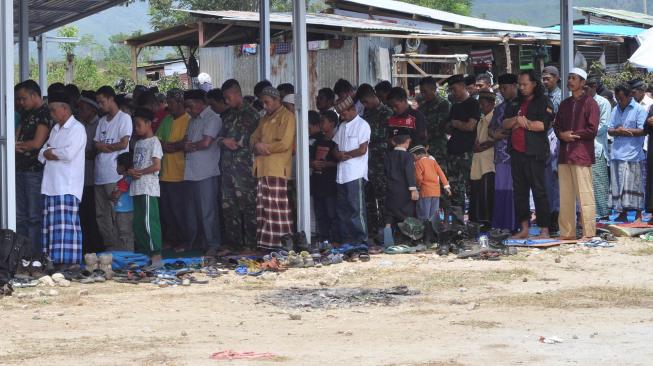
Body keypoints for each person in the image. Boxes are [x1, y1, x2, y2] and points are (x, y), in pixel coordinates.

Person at [38, 91, 86, 267]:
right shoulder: (55, 129)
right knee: (52, 227)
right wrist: (50, 152)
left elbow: (68, 153)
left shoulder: (77, 129)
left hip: (67, 185)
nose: (51, 114)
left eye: (53, 110)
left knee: (66, 228)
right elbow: (41, 153)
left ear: (64, 109)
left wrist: (52, 152)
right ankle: (51, 262)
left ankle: (68, 263)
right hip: (51, 185)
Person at [503, 70, 553, 239]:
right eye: (520, 85)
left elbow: (541, 125)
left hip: (535, 153)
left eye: (525, 84)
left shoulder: (543, 101)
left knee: (539, 191)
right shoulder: (515, 102)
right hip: (516, 153)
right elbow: (505, 123)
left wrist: (524, 123)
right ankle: (524, 228)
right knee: (520, 192)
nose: (522, 88)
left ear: (534, 84)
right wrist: (517, 121)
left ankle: (544, 229)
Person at [553, 68, 599, 240]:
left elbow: (592, 129)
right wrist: (561, 135)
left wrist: (572, 135)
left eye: (574, 78)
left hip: (581, 155)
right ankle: (567, 233)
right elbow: (556, 126)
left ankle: (589, 233)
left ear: (582, 82)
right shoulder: (564, 104)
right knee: (565, 196)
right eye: (569, 77)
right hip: (565, 155)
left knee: (585, 195)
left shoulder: (590, 103)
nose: (570, 81)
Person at [249, 87, 296, 250]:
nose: (264, 106)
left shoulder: (287, 117)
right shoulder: (264, 119)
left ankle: (283, 244)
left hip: (277, 169)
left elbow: (285, 143)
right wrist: (256, 145)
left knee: (277, 208)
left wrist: (264, 147)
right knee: (264, 209)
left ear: (277, 101)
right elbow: (252, 137)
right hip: (262, 169)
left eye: (267, 102)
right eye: (262, 102)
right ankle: (266, 244)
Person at [219, 79, 260, 251]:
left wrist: (232, 142)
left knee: (248, 206)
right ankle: (234, 243)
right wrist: (223, 141)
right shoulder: (227, 115)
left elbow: (250, 140)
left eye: (228, 97)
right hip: (227, 168)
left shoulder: (252, 114)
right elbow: (219, 138)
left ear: (237, 94)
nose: (226, 101)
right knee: (229, 206)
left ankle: (250, 244)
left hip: (244, 168)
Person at [15, 80, 53, 259]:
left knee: (33, 217)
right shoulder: (26, 114)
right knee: (20, 216)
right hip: (20, 168)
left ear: (34, 95)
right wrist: (21, 145)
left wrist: (22, 145)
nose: (21, 102)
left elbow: (37, 143)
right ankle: (19, 255)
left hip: (34, 171)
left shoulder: (44, 113)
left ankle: (33, 256)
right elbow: (16, 140)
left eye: (23, 98)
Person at [183, 89, 222, 256]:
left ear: (201, 103)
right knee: (192, 212)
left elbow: (206, 143)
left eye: (191, 106)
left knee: (208, 211)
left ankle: (213, 244)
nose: (188, 110)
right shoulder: (192, 121)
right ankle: (197, 242)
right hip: (191, 171)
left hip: (206, 172)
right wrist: (188, 145)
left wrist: (190, 146)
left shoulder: (213, 118)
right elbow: (186, 141)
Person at [94, 86, 132, 250]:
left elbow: (124, 143)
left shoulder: (124, 118)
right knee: (102, 215)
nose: (100, 105)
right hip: (99, 174)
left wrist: (105, 147)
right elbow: (96, 144)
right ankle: (110, 247)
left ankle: (122, 249)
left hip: (115, 174)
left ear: (111, 99)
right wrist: (105, 147)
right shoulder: (101, 121)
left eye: (102, 101)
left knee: (117, 213)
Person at [128, 108, 163, 269]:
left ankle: (156, 255)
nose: (136, 128)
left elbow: (156, 165)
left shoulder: (155, 141)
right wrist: (132, 172)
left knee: (149, 222)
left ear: (149, 124)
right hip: (137, 187)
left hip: (148, 187)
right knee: (138, 223)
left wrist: (139, 172)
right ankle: (144, 255)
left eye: (138, 125)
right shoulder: (138, 143)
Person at [156, 89, 190, 251]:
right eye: (168, 103)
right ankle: (171, 239)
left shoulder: (188, 119)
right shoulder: (167, 120)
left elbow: (185, 143)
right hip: (164, 173)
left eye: (171, 103)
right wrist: (173, 146)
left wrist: (173, 146)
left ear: (180, 103)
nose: (169, 107)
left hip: (180, 173)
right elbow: (157, 141)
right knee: (167, 211)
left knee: (180, 211)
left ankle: (184, 240)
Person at [357, 84, 394, 237]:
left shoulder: (388, 113)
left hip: (382, 163)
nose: (365, 105)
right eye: (363, 103)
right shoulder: (365, 114)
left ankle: (387, 231)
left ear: (373, 96)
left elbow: (389, 138)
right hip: (367, 164)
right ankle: (371, 232)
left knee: (384, 199)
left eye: (366, 101)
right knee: (368, 200)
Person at [333, 95, 371, 244]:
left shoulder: (362, 125)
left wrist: (346, 155)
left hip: (355, 174)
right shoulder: (342, 126)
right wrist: (338, 155)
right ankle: (346, 240)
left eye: (343, 113)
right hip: (341, 174)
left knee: (356, 210)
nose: (342, 116)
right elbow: (335, 146)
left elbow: (362, 149)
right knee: (343, 210)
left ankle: (361, 240)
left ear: (352, 109)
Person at [609, 83, 647, 222]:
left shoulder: (639, 109)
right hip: (617, 153)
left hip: (633, 155)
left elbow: (643, 130)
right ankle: (622, 213)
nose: (619, 101)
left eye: (621, 98)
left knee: (635, 186)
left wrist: (624, 131)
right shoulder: (615, 109)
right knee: (619, 186)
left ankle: (638, 215)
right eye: (617, 98)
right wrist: (617, 131)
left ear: (629, 96)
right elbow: (610, 129)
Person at [444, 74, 481, 211]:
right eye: (451, 90)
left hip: (467, 152)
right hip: (453, 151)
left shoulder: (473, 104)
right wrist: (450, 125)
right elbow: (448, 128)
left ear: (463, 86)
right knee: (454, 189)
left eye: (454, 89)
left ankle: (474, 219)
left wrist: (456, 123)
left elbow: (471, 126)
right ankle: (457, 222)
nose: (453, 92)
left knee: (470, 187)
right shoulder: (454, 107)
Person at [489, 73, 519, 231]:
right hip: (500, 155)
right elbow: (491, 129)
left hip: (516, 154)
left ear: (515, 86)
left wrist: (505, 133)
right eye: (500, 88)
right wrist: (495, 134)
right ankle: (501, 224)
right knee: (500, 189)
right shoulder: (499, 108)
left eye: (505, 88)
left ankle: (514, 224)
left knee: (515, 190)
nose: (502, 91)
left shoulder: (522, 105)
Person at [76, 91, 103, 253]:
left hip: (93, 177)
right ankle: (86, 247)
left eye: (83, 108)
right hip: (80, 178)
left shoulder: (99, 124)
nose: (80, 112)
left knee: (94, 215)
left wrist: (76, 153)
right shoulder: (80, 125)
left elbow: (95, 151)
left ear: (93, 109)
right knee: (84, 215)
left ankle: (97, 247)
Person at [585, 77, 613, 220]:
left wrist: (583, 132)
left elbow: (603, 126)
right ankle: (590, 214)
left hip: (597, 148)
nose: (585, 91)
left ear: (594, 86)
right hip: (582, 148)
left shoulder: (603, 102)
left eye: (587, 87)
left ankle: (603, 214)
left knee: (599, 182)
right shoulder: (580, 102)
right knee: (586, 183)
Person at [311, 111, 340, 242]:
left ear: (332, 124)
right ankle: (324, 238)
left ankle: (334, 238)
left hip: (330, 184)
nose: (320, 124)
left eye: (323, 121)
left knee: (332, 213)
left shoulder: (336, 142)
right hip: (317, 182)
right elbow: (310, 158)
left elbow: (339, 162)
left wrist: (326, 164)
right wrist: (313, 163)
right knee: (320, 213)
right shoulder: (317, 141)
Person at [469, 91, 496, 225]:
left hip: (488, 161)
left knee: (487, 192)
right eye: (480, 104)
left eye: (483, 104)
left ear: (491, 104)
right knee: (477, 191)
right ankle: (477, 219)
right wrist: (475, 146)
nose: (481, 107)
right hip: (478, 159)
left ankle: (487, 220)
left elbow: (494, 139)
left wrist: (481, 147)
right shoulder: (481, 120)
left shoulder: (494, 118)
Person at [384, 130, 418, 232]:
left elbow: (385, 171)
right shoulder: (408, 156)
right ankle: (406, 235)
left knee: (390, 211)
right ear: (407, 141)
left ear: (393, 142)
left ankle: (387, 229)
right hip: (404, 189)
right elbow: (409, 173)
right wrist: (413, 189)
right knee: (406, 212)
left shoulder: (388, 155)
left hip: (390, 187)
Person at [542, 65, 562, 232]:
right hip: (545, 137)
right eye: (544, 79)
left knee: (556, 178)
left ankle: (556, 215)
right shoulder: (544, 96)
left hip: (556, 137)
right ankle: (549, 214)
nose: (545, 82)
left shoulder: (561, 96)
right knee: (547, 178)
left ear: (556, 78)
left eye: (548, 78)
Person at [411, 145, 450, 222]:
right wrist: (446, 186)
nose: (413, 158)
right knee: (434, 215)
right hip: (436, 192)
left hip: (425, 192)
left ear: (417, 155)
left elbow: (419, 178)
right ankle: (433, 232)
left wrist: (417, 187)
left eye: (413, 156)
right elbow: (441, 173)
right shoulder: (433, 162)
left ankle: (424, 232)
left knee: (424, 215)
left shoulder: (418, 163)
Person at [418, 76, 450, 163]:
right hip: (424, 147)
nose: (423, 95)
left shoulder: (443, 104)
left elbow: (441, 126)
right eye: (421, 92)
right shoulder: (422, 106)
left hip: (439, 147)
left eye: (425, 92)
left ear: (433, 89)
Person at [112, 152, 134, 251]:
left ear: (123, 166)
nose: (116, 168)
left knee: (124, 234)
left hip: (124, 212)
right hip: (123, 211)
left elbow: (116, 195)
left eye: (118, 165)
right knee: (121, 234)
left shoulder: (125, 181)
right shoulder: (126, 180)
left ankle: (128, 257)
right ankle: (123, 255)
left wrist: (112, 194)